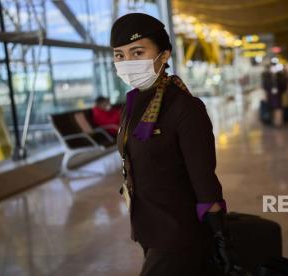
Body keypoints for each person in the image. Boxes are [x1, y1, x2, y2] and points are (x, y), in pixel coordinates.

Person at [111, 13, 242, 275]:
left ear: (165, 54)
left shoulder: (185, 108)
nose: (127, 62)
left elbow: (203, 178)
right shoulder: (133, 104)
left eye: (137, 52)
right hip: (147, 228)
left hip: (179, 232)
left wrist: (220, 237)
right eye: (120, 55)